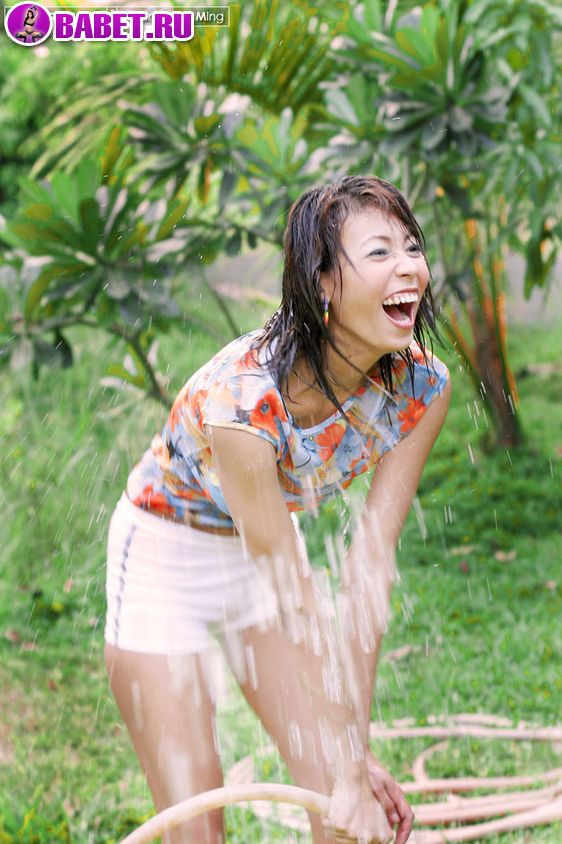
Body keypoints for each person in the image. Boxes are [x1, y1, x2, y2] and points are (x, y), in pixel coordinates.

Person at [104, 175, 451, 843]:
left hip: (264, 550)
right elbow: (292, 589)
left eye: (412, 246)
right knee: (196, 824)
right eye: (379, 252)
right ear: (323, 283)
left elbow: (370, 566)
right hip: (164, 556)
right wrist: (347, 760)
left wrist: (352, 759)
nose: (409, 265)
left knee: (345, 814)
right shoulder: (243, 403)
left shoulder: (421, 389)